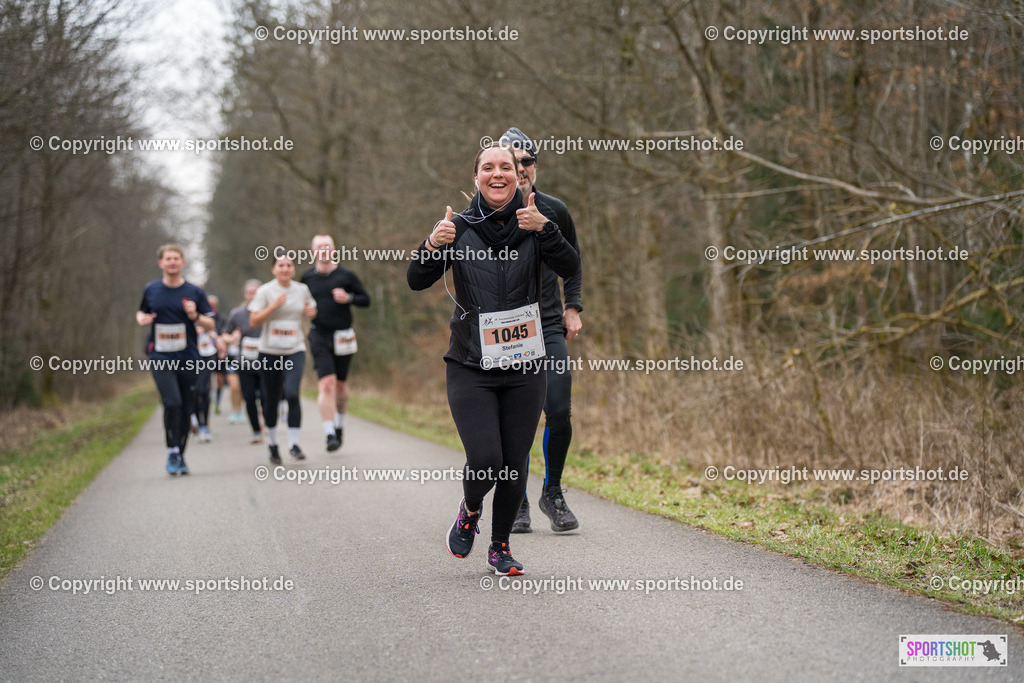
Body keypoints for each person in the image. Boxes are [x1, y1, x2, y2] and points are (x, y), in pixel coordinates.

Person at [407, 142, 579, 576]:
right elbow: (415, 279)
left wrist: (547, 230)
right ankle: (469, 510)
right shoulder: (458, 227)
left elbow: (570, 264)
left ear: (520, 175)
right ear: (476, 177)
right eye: (488, 167)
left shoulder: (535, 222)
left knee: (515, 462)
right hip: (471, 364)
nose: (498, 174)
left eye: (506, 167)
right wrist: (432, 244)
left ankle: (499, 547)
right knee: (486, 458)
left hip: (525, 365)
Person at [500, 127, 584, 534]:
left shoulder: (555, 209)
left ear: (535, 166)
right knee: (518, 415)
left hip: (548, 324)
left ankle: (552, 492)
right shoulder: (488, 214)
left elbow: (574, 261)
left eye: (527, 162)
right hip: (506, 329)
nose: (520, 170)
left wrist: (573, 306)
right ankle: (516, 500)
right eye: (511, 164)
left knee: (559, 407)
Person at [136, 243, 215, 475]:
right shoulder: (151, 289)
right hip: (160, 355)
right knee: (171, 402)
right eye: (167, 259)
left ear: (183, 262)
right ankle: (172, 452)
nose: (171, 262)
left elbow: (210, 323)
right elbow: (141, 310)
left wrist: (195, 315)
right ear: (161, 263)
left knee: (186, 405)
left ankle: (180, 453)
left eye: (175, 258)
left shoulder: (194, 292)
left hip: (188, 356)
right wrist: (142, 318)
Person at [300, 234, 370, 452]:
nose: (323, 249)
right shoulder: (306, 278)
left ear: (333, 250)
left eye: (326, 246)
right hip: (318, 334)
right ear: (313, 252)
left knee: (340, 384)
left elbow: (366, 300)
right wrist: (305, 310)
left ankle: (339, 426)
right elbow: (297, 303)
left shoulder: (346, 275)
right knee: (326, 383)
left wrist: (349, 298)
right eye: (319, 246)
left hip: (343, 336)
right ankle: (329, 433)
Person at [249, 255, 316, 464]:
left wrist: (312, 312)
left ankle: (294, 445)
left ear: (293, 269)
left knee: (292, 394)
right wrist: (273, 306)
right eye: (281, 265)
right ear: (273, 270)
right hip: (269, 351)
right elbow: (253, 321)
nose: (285, 269)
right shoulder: (265, 291)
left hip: (294, 349)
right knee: (271, 399)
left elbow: (311, 309)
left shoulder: (301, 289)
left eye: (289, 265)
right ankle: (273, 444)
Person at [223, 279, 264, 443]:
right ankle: (256, 430)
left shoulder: (268, 312)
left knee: (267, 397)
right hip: (245, 362)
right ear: (245, 295)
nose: (253, 295)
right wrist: (231, 338)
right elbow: (224, 335)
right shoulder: (237, 314)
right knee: (249, 397)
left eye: (256, 292)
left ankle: (269, 425)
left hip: (267, 362)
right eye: (250, 292)